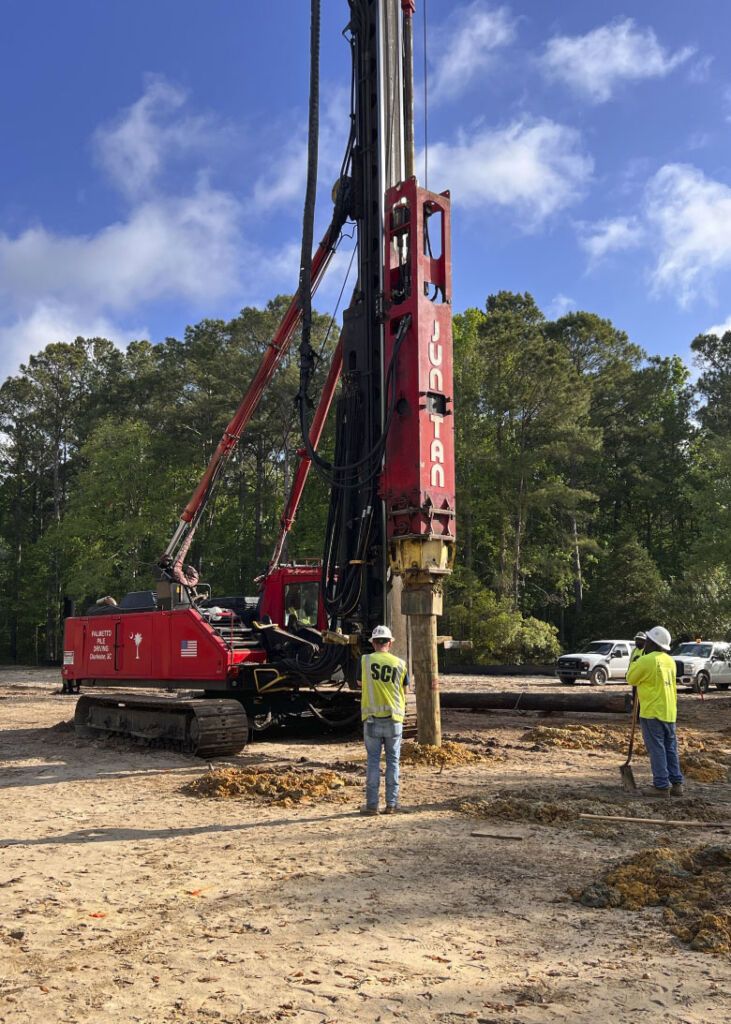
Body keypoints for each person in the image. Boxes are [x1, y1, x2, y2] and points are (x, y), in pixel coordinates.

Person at [626, 625, 684, 797]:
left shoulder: (646, 660)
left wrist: (636, 663)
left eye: (648, 641)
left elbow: (631, 678)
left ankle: (661, 785)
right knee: (670, 747)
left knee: (656, 748)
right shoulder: (670, 661)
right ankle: (677, 784)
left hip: (652, 711)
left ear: (652, 643)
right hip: (669, 711)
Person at [358, 624, 409, 815]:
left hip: (372, 719)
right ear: (390, 643)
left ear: (373, 643)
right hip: (394, 719)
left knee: (373, 761)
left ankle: (372, 805)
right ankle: (392, 804)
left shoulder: (365, 661)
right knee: (393, 761)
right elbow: (405, 690)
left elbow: (359, 682)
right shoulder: (400, 664)